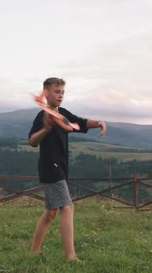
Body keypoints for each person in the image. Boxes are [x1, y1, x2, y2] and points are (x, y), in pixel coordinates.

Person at [28, 77, 107, 262]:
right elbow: (32, 141)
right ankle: (70, 257)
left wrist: (99, 123)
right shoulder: (43, 116)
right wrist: (46, 129)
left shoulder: (61, 113)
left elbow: (79, 122)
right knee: (68, 207)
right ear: (46, 93)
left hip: (61, 166)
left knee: (51, 212)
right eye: (57, 92)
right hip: (50, 167)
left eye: (63, 92)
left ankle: (34, 251)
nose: (61, 95)